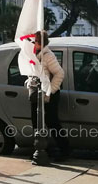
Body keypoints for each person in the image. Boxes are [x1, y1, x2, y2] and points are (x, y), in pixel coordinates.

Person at [27, 30, 69, 160]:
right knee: (36, 123)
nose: (33, 44)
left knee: (52, 122)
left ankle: (64, 150)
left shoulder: (48, 56)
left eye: (35, 42)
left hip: (49, 94)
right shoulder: (34, 54)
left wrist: (51, 90)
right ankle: (41, 149)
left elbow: (59, 73)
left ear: (41, 42)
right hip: (37, 93)